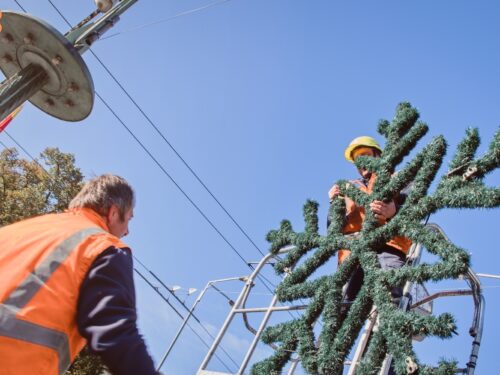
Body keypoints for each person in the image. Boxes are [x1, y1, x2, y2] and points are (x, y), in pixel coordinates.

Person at [0, 174, 160, 375]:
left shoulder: (25, 228)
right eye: (128, 219)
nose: (127, 231)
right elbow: (114, 330)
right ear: (112, 213)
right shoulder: (103, 246)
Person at [328, 136, 412, 313]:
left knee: (390, 294)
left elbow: (417, 205)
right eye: (357, 160)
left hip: (388, 247)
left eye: (366, 155)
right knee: (341, 308)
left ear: (378, 156)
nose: (362, 162)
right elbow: (333, 230)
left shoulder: (397, 179)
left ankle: (388, 336)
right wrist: (334, 203)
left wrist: (395, 210)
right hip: (352, 254)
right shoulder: (348, 189)